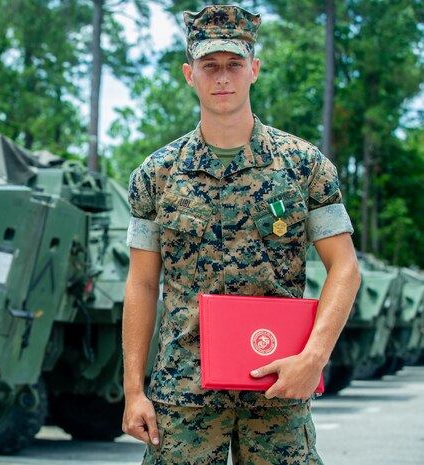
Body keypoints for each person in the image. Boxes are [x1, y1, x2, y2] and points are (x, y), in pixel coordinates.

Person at [121, 4, 361, 465]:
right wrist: (134, 390)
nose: (223, 77)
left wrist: (313, 358)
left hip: (278, 384)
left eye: (234, 64)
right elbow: (142, 284)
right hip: (185, 394)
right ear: (190, 75)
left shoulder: (303, 166)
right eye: (210, 66)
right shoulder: (156, 175)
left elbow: (344, 268)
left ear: (254, 70)